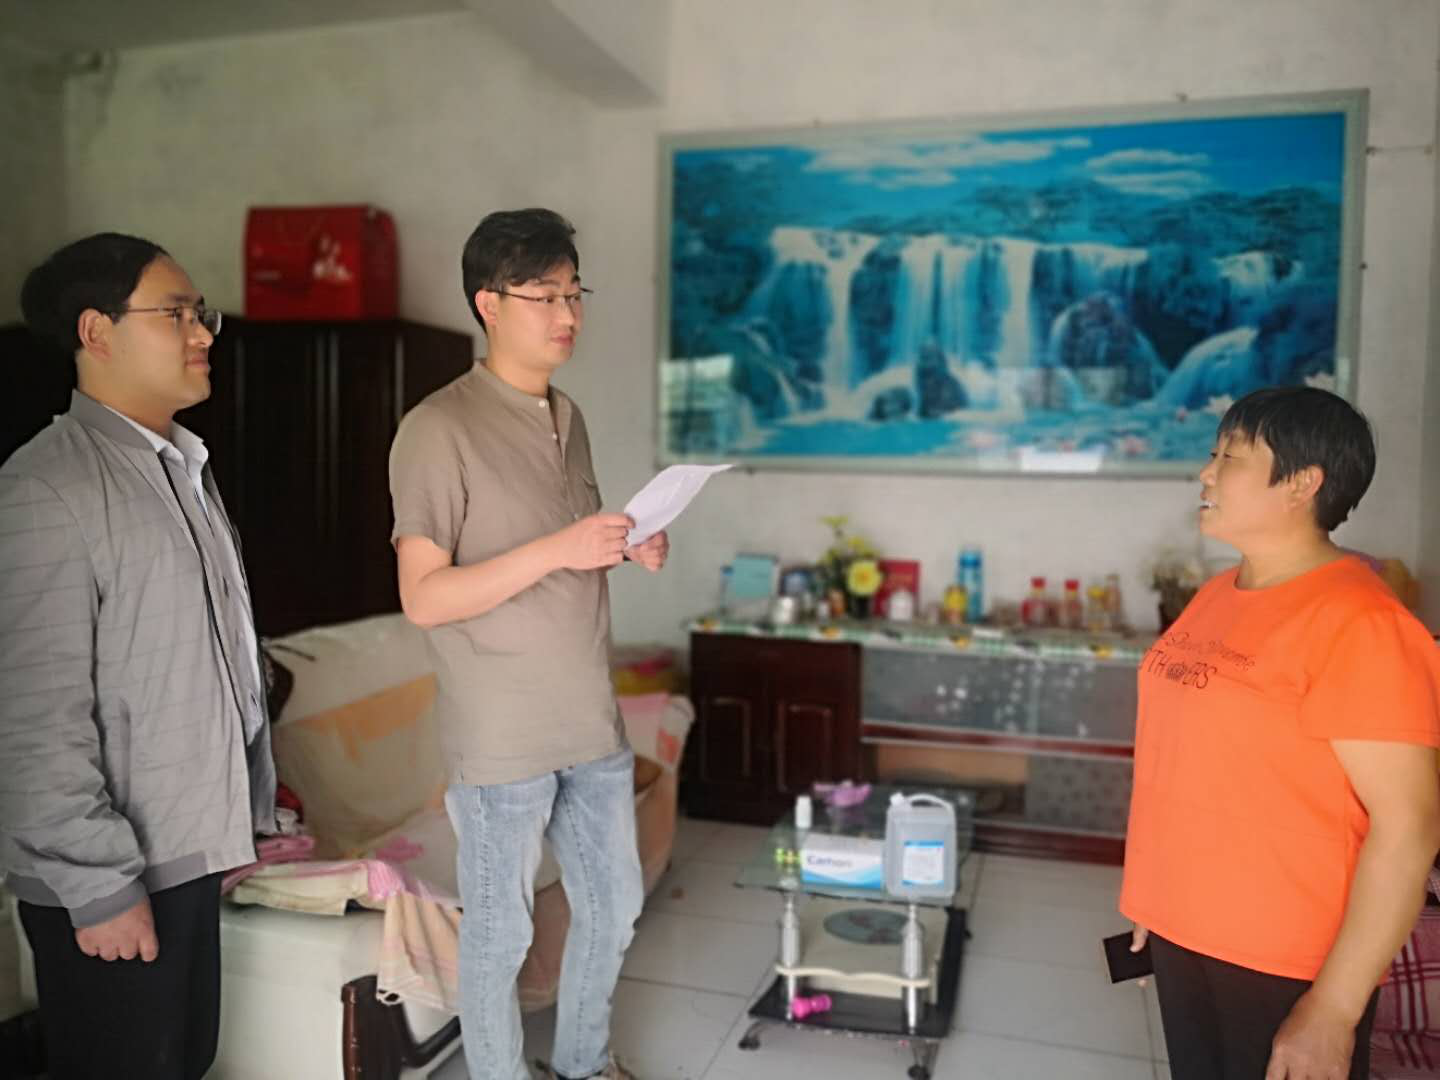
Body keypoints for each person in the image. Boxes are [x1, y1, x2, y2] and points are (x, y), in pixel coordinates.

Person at [388, 208, 668, 1080]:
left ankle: (583, 1064)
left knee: (614, 910)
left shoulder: (567, 415)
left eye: (575, 293)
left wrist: (622, 546)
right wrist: (562, 547)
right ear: (489, 303)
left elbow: (561, 552)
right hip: (502, 738)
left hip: (590, 723)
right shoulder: (436, 428)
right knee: (500, 937)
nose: (567, 313)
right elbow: (424, 597)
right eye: (544, 295)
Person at [0, 233, 276, 1079]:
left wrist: (240, 816)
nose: (202, 332)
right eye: (176, 313)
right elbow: (31, 720)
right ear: (97, 331)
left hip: (181, 854)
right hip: (110, 878)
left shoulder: (180, 466)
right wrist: (97, 886)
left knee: (184, 1062)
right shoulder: (47, 488)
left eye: (201, 314)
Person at [1121, 385, 1440, 1080]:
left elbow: (1409, 827)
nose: (1206, 474)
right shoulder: (1217, 595)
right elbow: (1194, 760)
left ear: (1302, 484)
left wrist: (1334, 1009)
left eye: (1228, 458)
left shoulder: (1362, 624)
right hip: (1184, 928)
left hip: (1282, 959)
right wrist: (1157, 894)